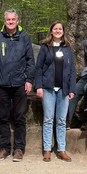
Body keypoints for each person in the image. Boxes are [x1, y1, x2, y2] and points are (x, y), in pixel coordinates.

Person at [0, 9, 35, 162]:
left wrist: (29, 80)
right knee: (3, 118)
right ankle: (5, 148)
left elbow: (30, 61)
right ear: (4, 21)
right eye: (8, 20)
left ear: (18, 21)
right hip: (2, 85)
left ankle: (19, 149)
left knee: (20, 117)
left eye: (13, 19)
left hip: (20, 84)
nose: (11, 22)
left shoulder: (24, 38)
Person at [35, 21, 77, 162]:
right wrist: (38, 87)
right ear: (51, 31)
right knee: (48, 119)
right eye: (55, 29)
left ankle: (61, 149)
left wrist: (72, 89)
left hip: (63, 89)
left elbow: (72, 70)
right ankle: (47, 150)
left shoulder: (68, 49)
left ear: (63, 31)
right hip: (48, 88)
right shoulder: (45, 47)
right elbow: (39, 68)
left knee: (61, 120)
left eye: (60, 29)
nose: (58, 31)